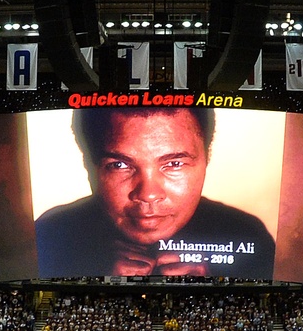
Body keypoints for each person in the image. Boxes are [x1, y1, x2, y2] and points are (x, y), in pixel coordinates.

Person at [34, 108, 276, 279]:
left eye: (174, 164)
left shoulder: (249, 235)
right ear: (89, 166)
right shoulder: (47, 236)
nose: (149, 194)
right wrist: (95, 281)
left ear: (207, 159)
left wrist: (217, 286)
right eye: (120, 165)